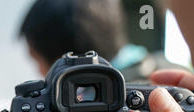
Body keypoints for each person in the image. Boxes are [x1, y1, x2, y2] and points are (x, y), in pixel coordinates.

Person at [18, 0, 184, 81]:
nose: (40, 73)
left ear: (65, 60)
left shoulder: (93, 106)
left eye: (36, 60)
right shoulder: (177, 75)